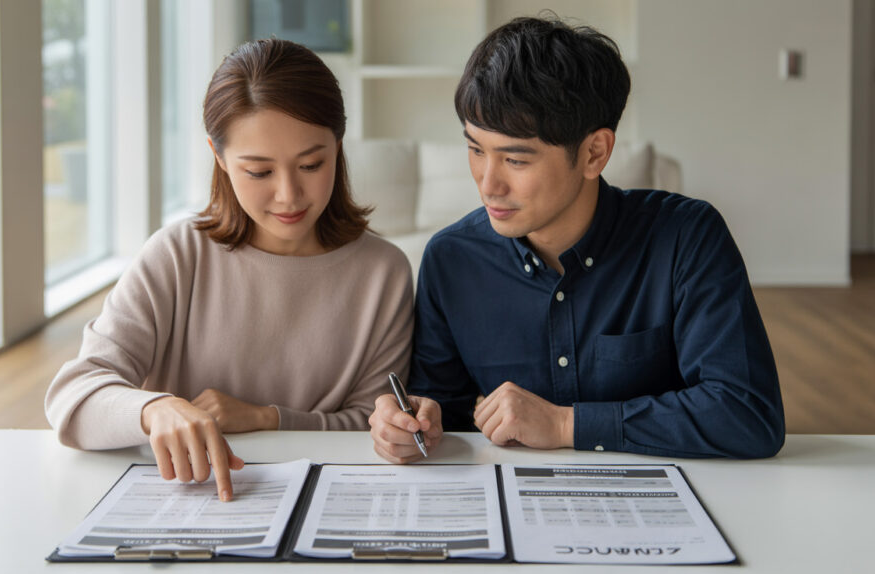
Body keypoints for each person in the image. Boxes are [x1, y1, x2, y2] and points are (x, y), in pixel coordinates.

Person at [369, 17, 785, 462]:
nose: (488, 184)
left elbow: (748, 414)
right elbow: (442, 410)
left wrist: (567, 424)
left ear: (594, 153)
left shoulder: (686, 237)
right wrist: (414, 422)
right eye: (475, 149)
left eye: (514, 159)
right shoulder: (451, 259)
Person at [46, 39, 413, 500]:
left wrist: (266, 417)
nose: (289, 195)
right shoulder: (176, 256)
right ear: (218, 157)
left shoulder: (384, 272)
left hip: (329, 501)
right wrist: (156, 409)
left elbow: (371, 422)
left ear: (338, 147)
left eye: (311, 163)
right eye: (259, 171)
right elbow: (73, 396)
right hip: (186, 501)